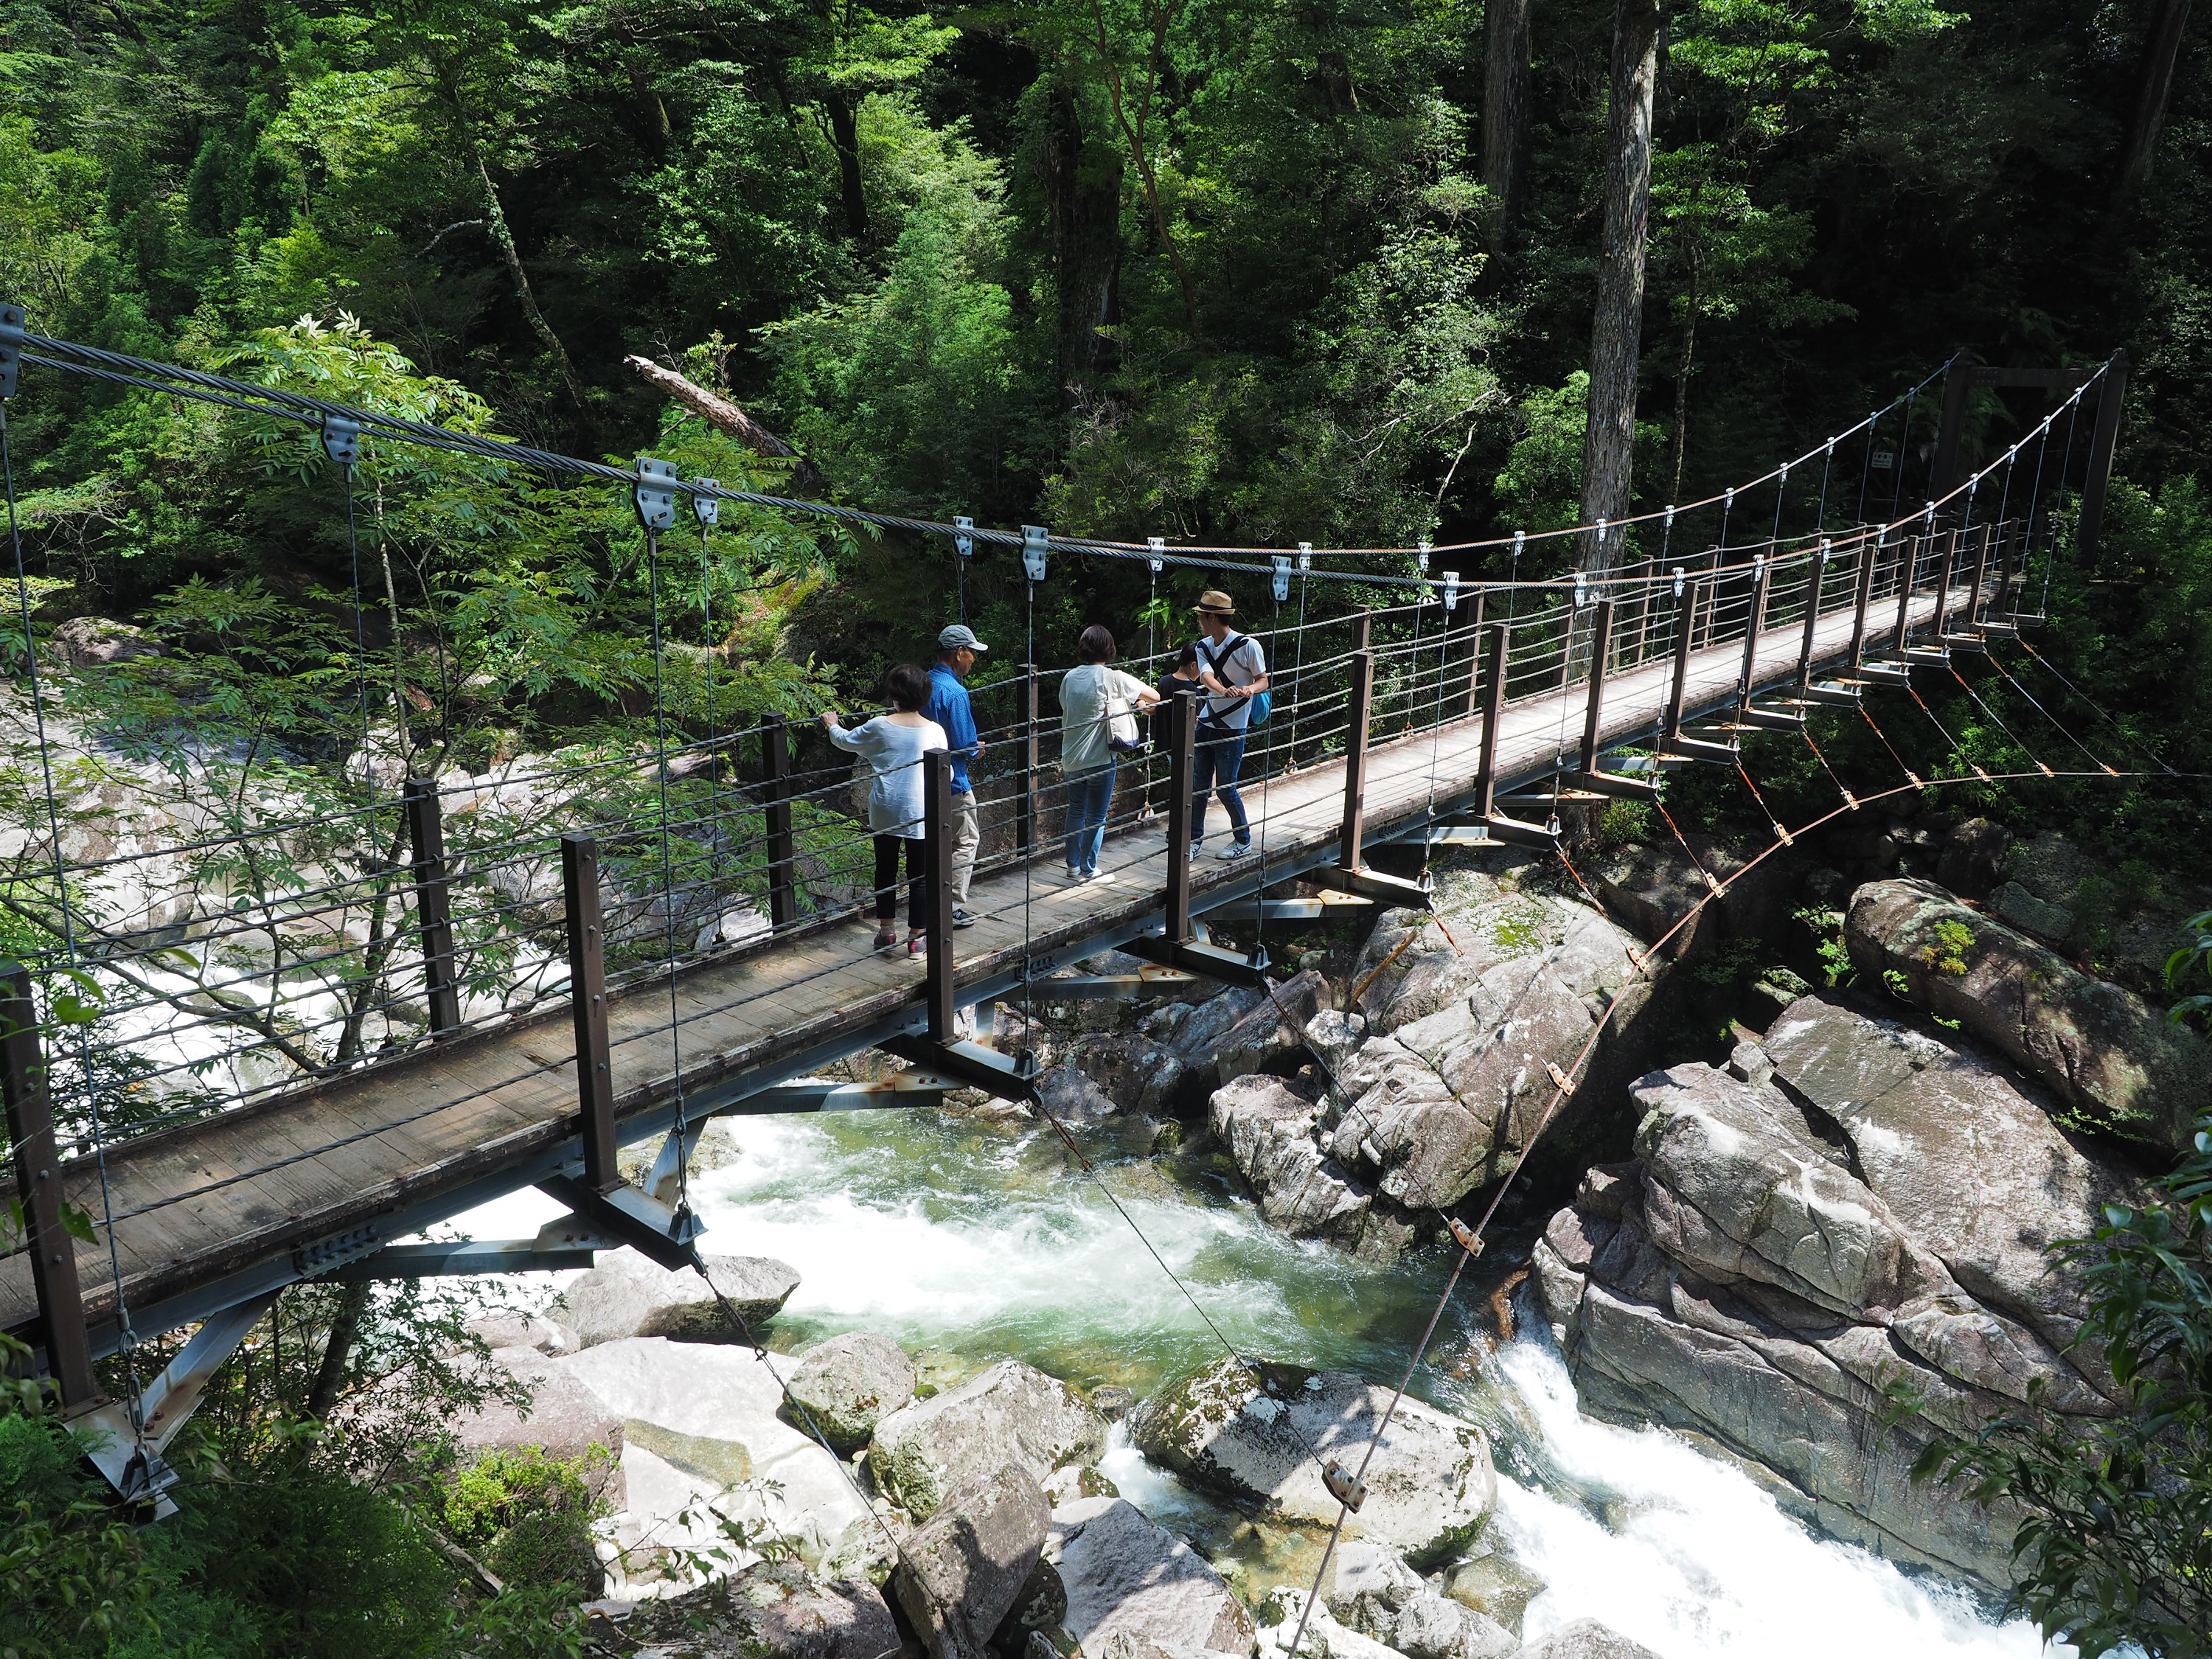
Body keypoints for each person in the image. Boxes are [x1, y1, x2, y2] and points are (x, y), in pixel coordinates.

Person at [821, 664, 947, 954]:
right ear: (924, 696)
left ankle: (887, 932)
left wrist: (832, 724)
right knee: (920, 874)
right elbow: (947, 774)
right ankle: (917, 937)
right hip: (921, 809)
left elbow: (846, 740)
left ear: (894, 696)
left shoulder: (880, 725)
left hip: (886, 807)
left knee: (886, 869)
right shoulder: (936, 731)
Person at [1058, 625, 1158, 883]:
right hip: (1100, 758)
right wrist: (1137, 704)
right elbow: (1154, 696)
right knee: (1096, 816)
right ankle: (1089, 870)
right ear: (1109, 649)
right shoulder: (1113, 677)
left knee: (1076, 810)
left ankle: (1072, 867)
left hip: (1070, 757)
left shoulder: (1069, 678)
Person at [1187, 590, 1269, 860]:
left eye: (1201, 616)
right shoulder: (1203, 646)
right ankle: (1194, 838)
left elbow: (1263, 681)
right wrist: (1223, 691)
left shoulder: (1249, 646)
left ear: (1211, 617)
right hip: (1207, 723)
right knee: (1199, 786)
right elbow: (1207, 677)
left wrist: (1248, 690)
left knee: (1225, 788)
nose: (1199, 620)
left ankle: (1243, 839)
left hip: (1233, 728)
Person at [924, 624, 987, 928]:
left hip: (921, 780)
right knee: (966, 840)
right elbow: (966, 745)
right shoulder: (955, 692)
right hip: (953, 781)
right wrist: (978, 750)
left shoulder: (922, 683)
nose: (973, 659)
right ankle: (951, 908)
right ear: (959, 652)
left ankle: (930, 902)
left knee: (934, 843)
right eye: (972, 652)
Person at [1148, 641, 1203, 820]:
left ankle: (1177, 825)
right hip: (1187, 748)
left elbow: (1153, 708)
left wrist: (1140, 703)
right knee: (1191, 786)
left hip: (1169, 745)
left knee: (1179, 784)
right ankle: (1186, 825)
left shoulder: (1164, 681)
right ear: (1193, 665)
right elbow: (1196, 725)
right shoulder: (1193, 691)